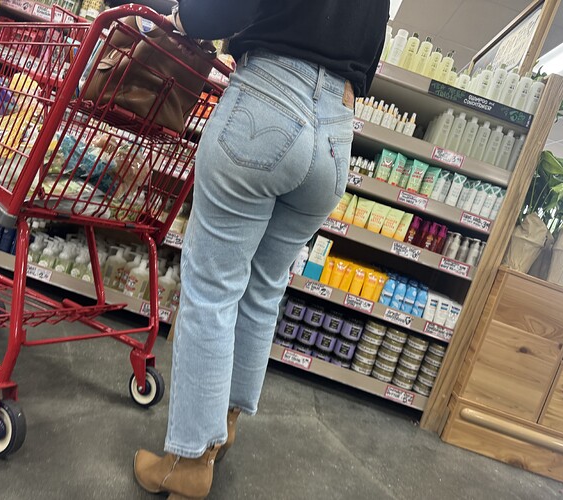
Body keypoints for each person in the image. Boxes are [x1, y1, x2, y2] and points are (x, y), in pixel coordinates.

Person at [134, 1, 390, 498]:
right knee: (263, 288)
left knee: (213, 290)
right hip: (337, 132)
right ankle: (224, 428)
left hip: (267, 101)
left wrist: (181, 15)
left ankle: (189, 461)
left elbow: (222, 11)